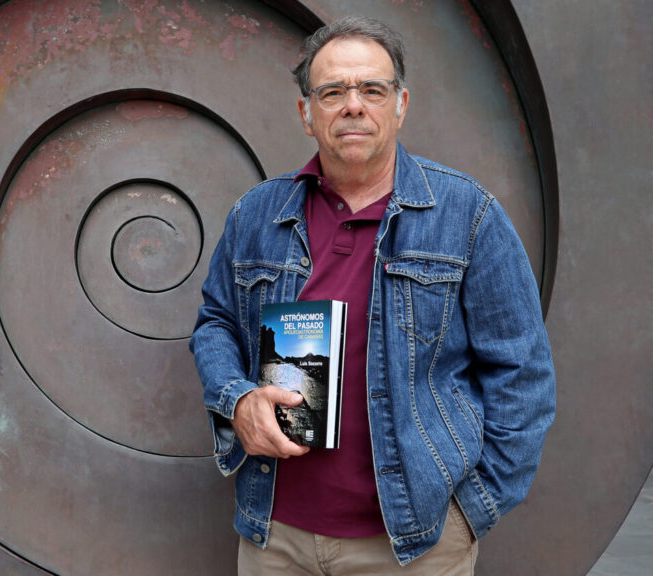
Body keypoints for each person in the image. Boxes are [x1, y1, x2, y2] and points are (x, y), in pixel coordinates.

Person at [190, 15, 555, 575]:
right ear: (306, 112)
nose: (353, 105)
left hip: (415, 545)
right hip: (275, 536)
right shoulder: (257, 214)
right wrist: (237, 399)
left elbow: (522, 374)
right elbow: (215, 321)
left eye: (372, 90)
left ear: (400, 105)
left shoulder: (467, 216)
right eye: (333, 91)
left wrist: (471, 510)